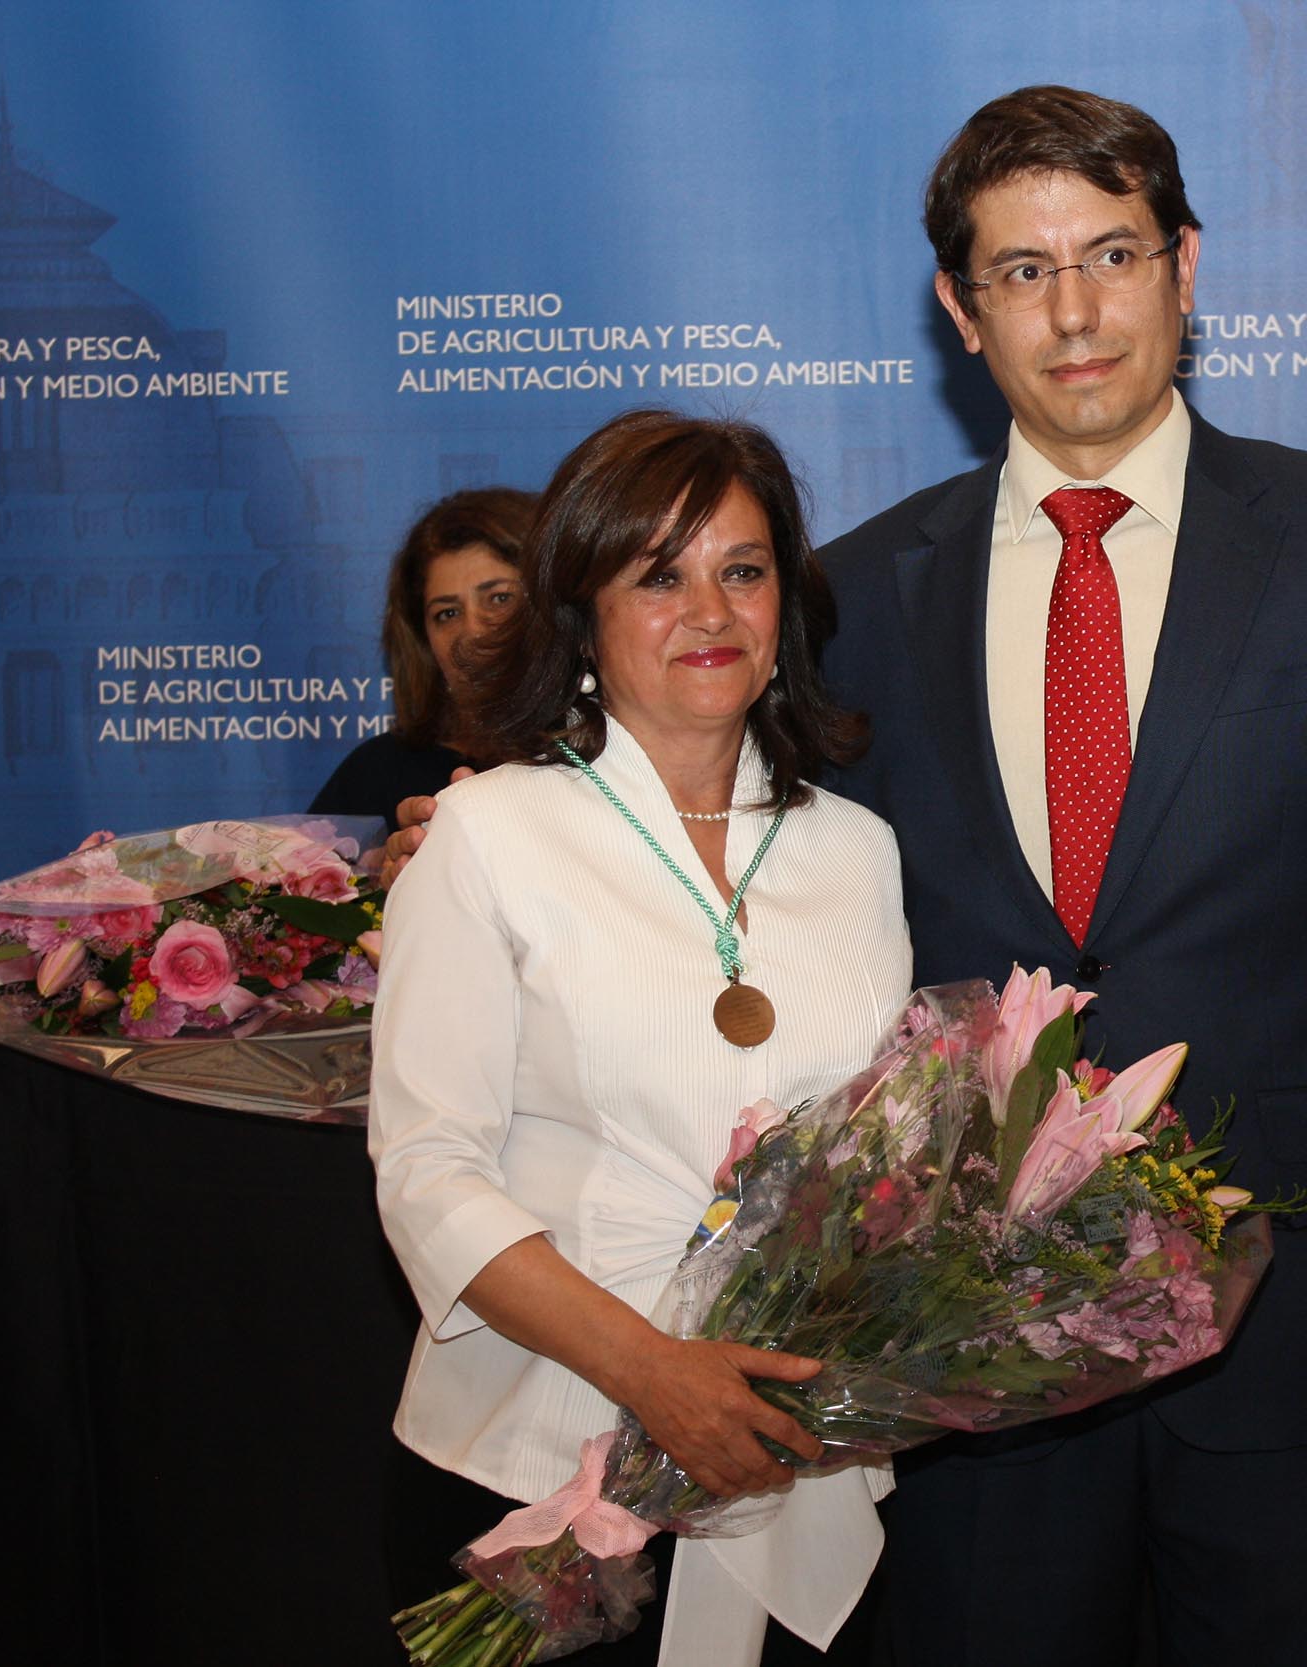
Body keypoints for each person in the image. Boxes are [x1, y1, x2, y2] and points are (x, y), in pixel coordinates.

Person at [813, 86, 1307, 1665]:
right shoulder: (857, 595)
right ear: (960, 306)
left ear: (1186, 266)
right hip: (972, 1359)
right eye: (1023, 271)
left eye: (1112, 254)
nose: (1075, 312)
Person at [368, 410, 912, 1667]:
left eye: (742, 569)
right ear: (581, 614)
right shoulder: (484, 836)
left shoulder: (858, 852)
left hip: (796, 1465)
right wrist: (657, 1373)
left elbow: (883, 1165)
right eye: (658, 576)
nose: (709, 611)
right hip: (532, 1470)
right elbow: (428, 1172)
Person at [309, 485, 534, 821]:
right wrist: (384, 857)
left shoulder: (606, 758)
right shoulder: (376, 775)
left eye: (500, 599)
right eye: (448, 613)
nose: (473, 631)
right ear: (424, 642)